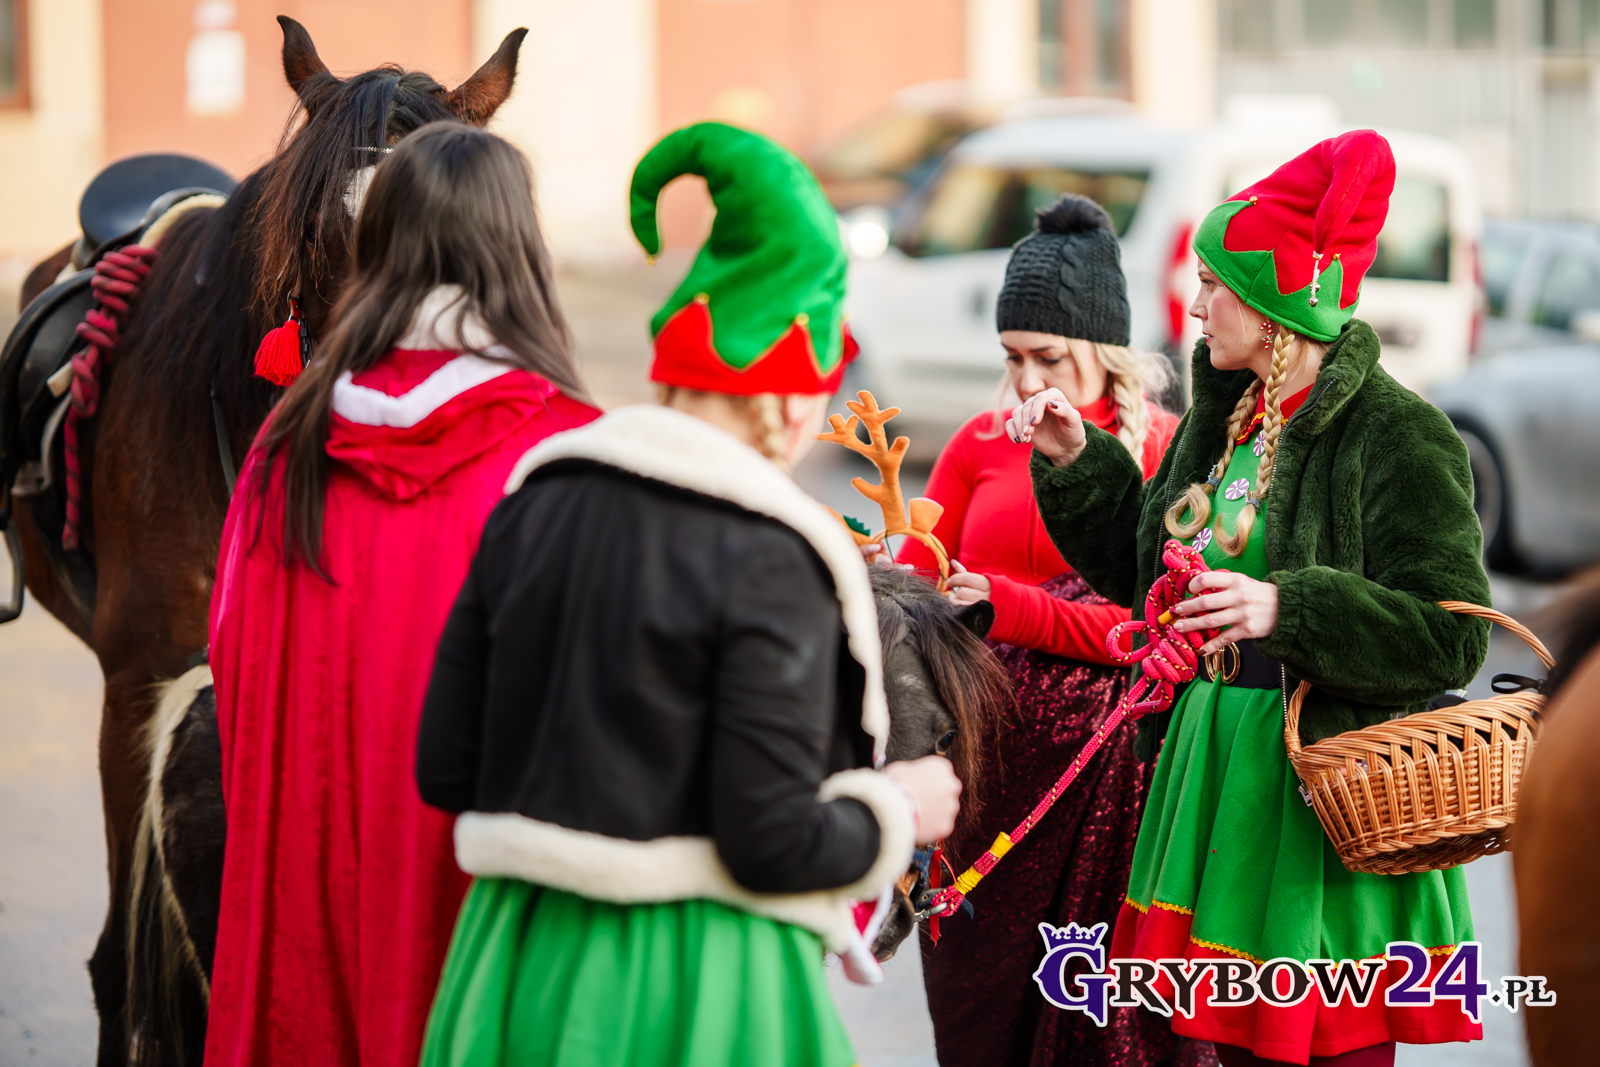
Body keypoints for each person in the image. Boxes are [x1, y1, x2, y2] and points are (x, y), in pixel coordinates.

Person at [413, 121, 961, 1067]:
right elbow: (771, 840)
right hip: (694, 982)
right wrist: (897, 811)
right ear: (788, 395)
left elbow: (446, 766)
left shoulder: (533, 500)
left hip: (512, 963)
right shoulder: (774, 552)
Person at [1010, 130, 1490, 1067]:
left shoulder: (1400, 433)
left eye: (1213, 284)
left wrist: (1286, 608)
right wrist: (1076, 459)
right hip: (1217, 775)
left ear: (1273, 309)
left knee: (1331, 1051)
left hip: (1321, 797)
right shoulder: (1226, 417)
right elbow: (1148, 579)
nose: (1195, 304)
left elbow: (1451, 635)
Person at [204, 123, 600, 1067]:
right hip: (474, 902)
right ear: (520, 246)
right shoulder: (562, 451)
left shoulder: (285, 448)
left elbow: (233, 668)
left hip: (303, 889)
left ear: (377, 246)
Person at [893, 194, 1206, 1066]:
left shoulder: (1165, 451)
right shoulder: (977, 442)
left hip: (1105, 789)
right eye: (1013, 356)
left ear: (1103, 349)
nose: (1028, 380)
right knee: (979, 1017)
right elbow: (916, 590)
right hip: (981, 774)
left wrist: (1007, 603)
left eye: (1048, 357)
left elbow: (1148, 631)